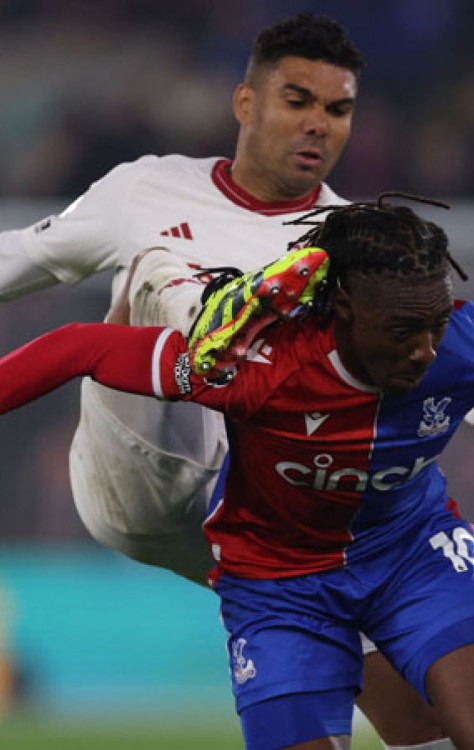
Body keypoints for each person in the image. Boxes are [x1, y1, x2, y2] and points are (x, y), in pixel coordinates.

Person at [0, 13, 453, 749]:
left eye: (338, 110)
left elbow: (435, 383)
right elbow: (20, 259)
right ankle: (214, 324)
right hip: (136, 467)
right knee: (157, 271)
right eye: (297, 101)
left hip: (253, 521)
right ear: (246, 104)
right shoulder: (149, 191)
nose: (319, 126)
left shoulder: (356, 252)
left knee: (420, 715)